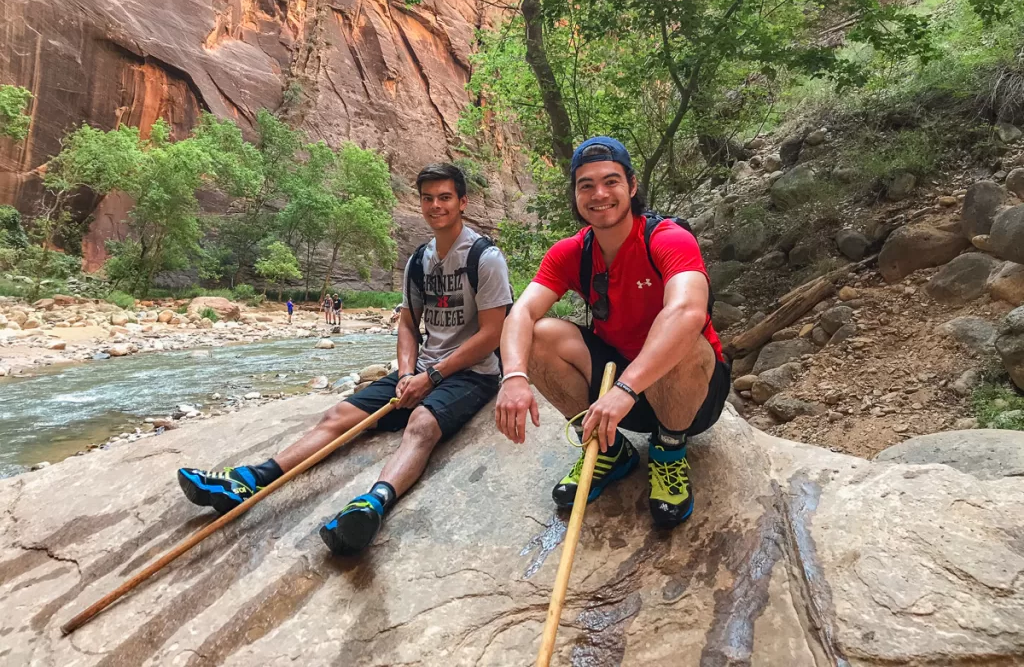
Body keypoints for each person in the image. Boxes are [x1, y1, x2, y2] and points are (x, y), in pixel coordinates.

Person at [176, 164, 513, 556]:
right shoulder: (419, 260)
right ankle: (252, 480)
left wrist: (432, 377)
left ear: (462, 202)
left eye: (445, 197)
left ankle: (373, 505)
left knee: (421, 424)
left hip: (471, 374)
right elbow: (408, 322)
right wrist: (407, 373)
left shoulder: (485, 258)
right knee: (337, 416)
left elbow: (492, 333)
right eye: (427, 198)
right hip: (422, 371)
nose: (435, 206)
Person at [495, 136, 730, 529]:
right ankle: (609, 450)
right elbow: (522, 312)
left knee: (681, 338)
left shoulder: (668, 238)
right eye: (586, 185)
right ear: (574, 194)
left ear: (632, 186)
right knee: (539, 333)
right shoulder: (572, 252)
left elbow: (688, 310)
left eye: (611, 181)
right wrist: (514, 376)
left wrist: (625, 389)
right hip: (619, 389)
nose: (599, 194)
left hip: (689, 395)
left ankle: (669, 452)